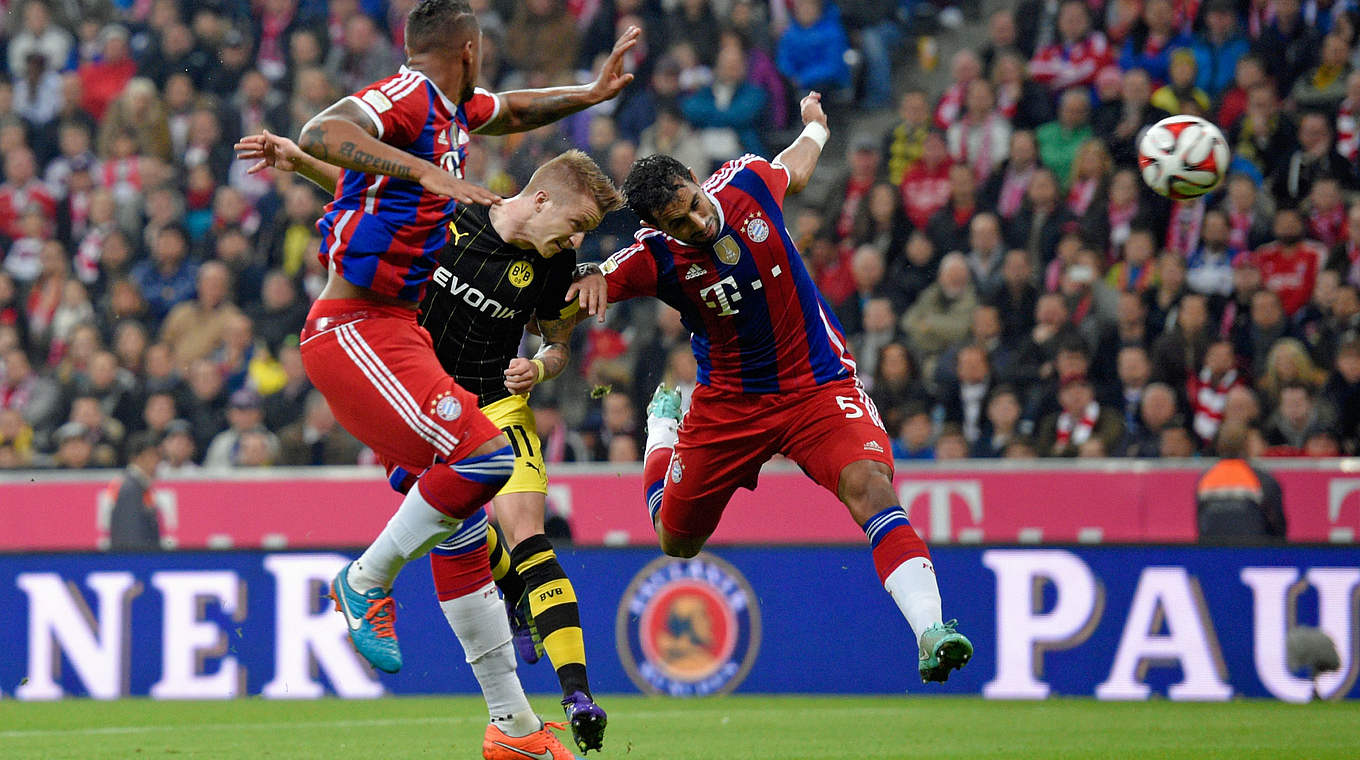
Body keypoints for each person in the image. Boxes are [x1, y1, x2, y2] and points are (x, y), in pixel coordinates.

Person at [235, 3, 638, 756]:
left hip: (400, 335)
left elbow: (512, 110)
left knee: (464, 531)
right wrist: (426, 173)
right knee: (486, 460)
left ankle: (514, 729)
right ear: (466, 47)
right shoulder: (411, 97)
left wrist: (589, 93)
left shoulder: (456, 113)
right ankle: (363, 580)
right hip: (356, 330)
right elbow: (330, 129)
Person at [595, 91, 973, 685]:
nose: (695, 222)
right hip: (729, 404)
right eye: (677, 222)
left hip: (817, 386)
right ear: (656, 227)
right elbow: (583, 287)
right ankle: (661, 436)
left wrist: (818, 128)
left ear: (697, 180)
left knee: (871, 487)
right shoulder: (654, 259)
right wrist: (571, 287)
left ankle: (931, 630)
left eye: (692, 204)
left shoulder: (745, 183)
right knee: (676, 540)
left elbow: (795, 165)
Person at [1197, 423, 1286, 541]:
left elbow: (1200, 524)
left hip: (1215, 552)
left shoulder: (1205, 479)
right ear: (1247, 445)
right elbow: (1278, 525)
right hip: (1253, 551)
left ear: (1218, 446)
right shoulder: (1261, 479)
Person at [107, 431, 162, 551]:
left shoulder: (139, 486)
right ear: (137, 458)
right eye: (153, 455)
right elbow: (130, 534)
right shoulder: (130, 489)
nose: (157, 461)